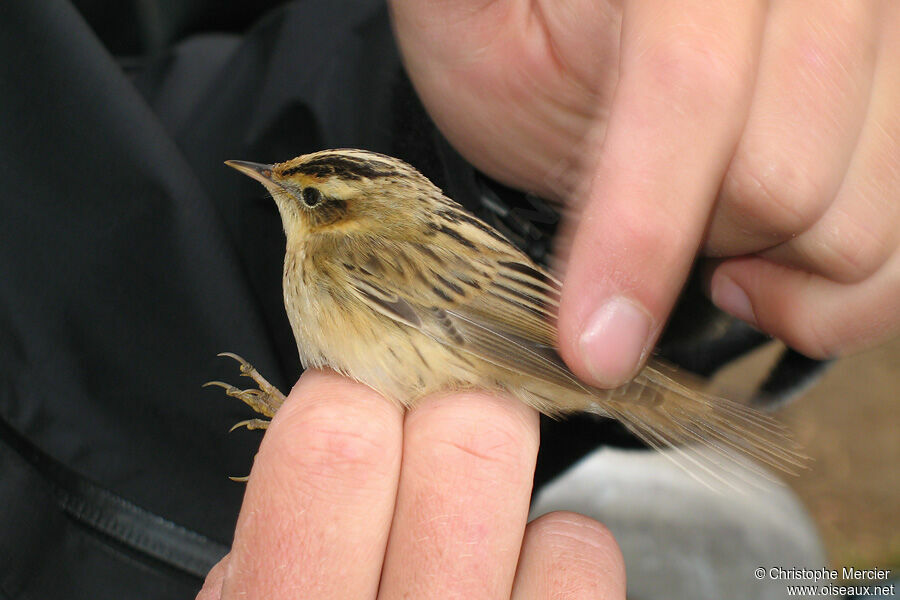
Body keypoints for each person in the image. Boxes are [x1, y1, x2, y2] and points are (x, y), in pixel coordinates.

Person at [1, 1, 896, 599]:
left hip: (516, 354)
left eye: (303, 194)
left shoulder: (344, 257)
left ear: (334, 214)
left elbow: (471, 331)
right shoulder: (342, 243)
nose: (281, 193)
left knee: (741, 534)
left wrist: (582, 267)